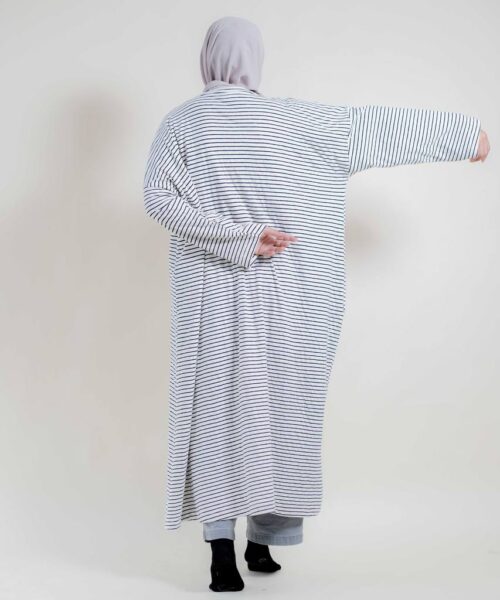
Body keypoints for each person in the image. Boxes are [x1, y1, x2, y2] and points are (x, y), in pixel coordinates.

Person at [142, 15, 490, 593]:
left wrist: (231, 236)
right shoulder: (299, 121)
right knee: (282, 412)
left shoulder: (180, 125)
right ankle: (259, 544)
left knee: (218, 415)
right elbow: (379, 127)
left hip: (210, 301)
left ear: (207, 58)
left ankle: (225, 554)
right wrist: (466, 135)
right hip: (292, 301)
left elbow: (157, 200)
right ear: (255, 59)